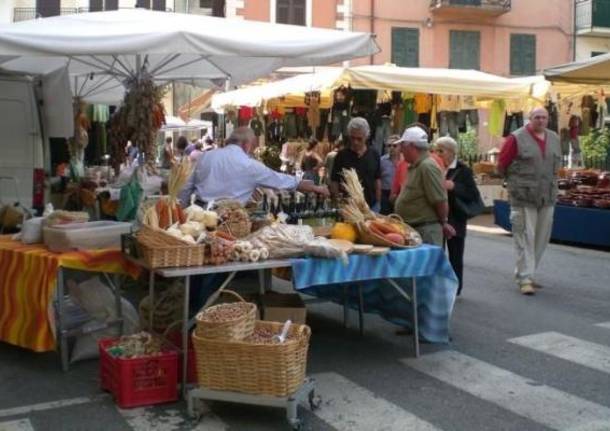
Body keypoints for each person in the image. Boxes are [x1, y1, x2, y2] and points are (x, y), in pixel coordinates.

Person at [179, 127, 329, 207]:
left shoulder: (205, 157)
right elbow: (281, 180)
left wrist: (184, 211)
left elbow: (185, 187)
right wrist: (315, 188)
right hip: (229, 222)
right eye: (252, 147)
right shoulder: (251, 165)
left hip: (199, 216)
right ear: (246, 145)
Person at [497, 107, 561, 295]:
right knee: (525, 235)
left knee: (541, 237)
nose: (541, 121)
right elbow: (502, 164)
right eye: (537, 117)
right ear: (529, 119)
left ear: (548, 119)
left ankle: (529, 273)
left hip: (547, 195)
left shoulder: (554, 138)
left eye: (544, 117)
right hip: (523, 196)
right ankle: (525, 277)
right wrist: (514, 183)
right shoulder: (516, 138)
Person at [394, 126, 455, 246]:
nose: (401, 150)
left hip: (426, 231)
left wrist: (444, 222)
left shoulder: (427, 166)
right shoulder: (416, 166)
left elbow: (440, 200)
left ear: (412, 146)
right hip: (416, 229)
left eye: (403, 146)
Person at [436, 136, 479, 296]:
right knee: (437, 253)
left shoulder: (463, 170)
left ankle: (455, 286)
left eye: (441, 150)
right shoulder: (434, 166)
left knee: (455, 255)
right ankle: (438, 284)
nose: (438, 154)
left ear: (452, 152)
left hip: (456, 218)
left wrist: (454, 186)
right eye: (436, 150)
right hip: (436, 217)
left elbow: (472, 194)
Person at [330, 117, 381, 211]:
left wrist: (378, 201)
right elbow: (334, 181)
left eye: (359, 139)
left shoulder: (374, 154)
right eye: (352, 138)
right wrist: (338, 201)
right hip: (349, 208)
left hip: (371, 206)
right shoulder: (342, 155)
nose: (355, 142)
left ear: (367, 136)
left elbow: (377, 179)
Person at [380, 135, 402, 215]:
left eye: (395, 145)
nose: (392, 148)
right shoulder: (382, 161)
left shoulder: (404, 161)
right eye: (389, 146)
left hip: (400, 194)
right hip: (385, 193)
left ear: (400, 147)